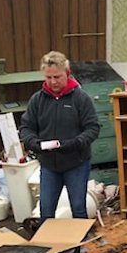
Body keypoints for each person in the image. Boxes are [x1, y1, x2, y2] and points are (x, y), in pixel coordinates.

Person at [20, 51, 100, 220]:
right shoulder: (37, 100)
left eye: (57, 76)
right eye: (48, 77)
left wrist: (76, 143)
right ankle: (49, 245)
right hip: (49, 165)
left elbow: (92, 128)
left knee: (78, 208)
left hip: (76, 163)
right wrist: (33, 142)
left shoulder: (80, 98)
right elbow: (26, 128)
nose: (53, 82)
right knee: (46, 210)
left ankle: (80, 246)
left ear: (67, 74)